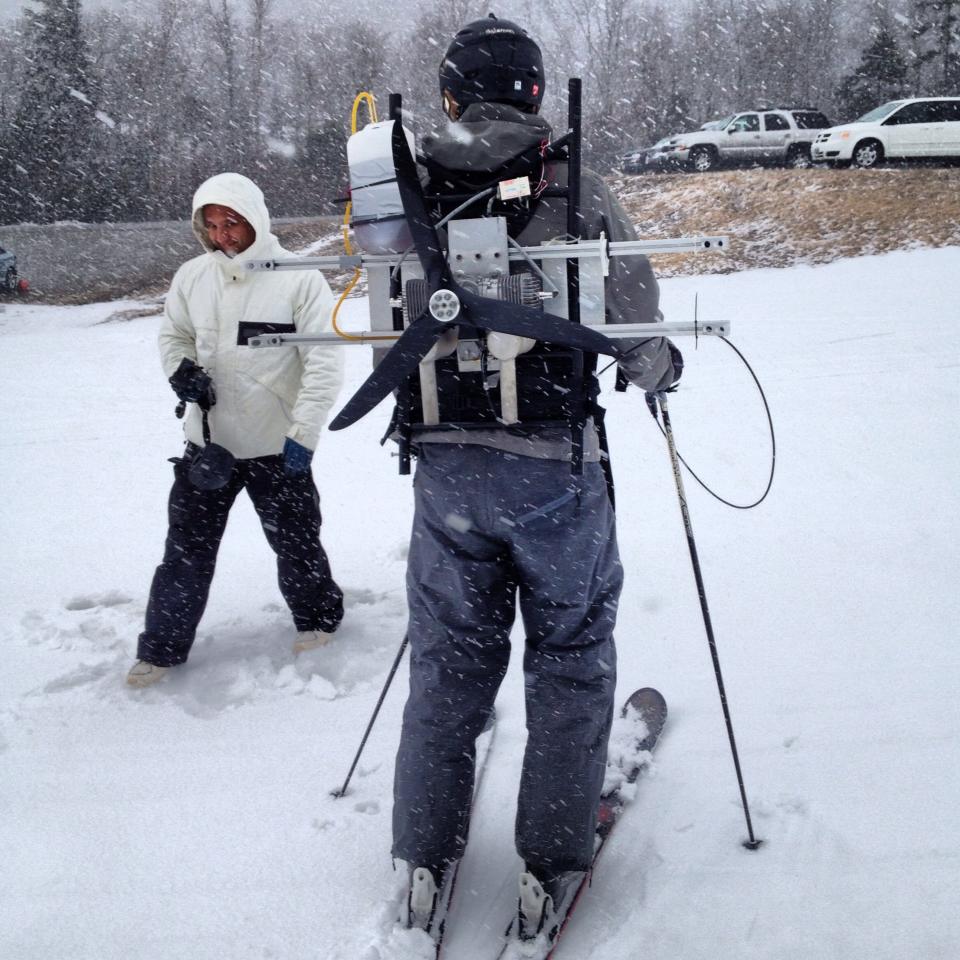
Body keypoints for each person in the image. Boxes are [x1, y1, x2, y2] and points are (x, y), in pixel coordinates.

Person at [387, 14, 683, 944]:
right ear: (535, 93)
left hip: (444, 469)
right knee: (568, 659)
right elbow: (634, 319)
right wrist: (658, 370)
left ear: (448, 94)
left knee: (449, 664)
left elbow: (384, 304)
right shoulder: (573, 183)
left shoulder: (404, 185)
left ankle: (422, 857)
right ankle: (550, 860)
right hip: (554, 468)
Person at [126, 172, 345, 688]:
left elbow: (323, 363)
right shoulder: (191, 278)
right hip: (207, 449)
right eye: (213, 224)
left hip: (277, 446)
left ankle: (319, 619)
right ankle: (161, 649)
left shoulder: (299, 278)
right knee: (184, 552)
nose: (224, 234)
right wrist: (181, 370)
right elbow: (174, 335)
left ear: (255, 219)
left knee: (297, 542)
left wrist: (304, 435)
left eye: (233, 222)